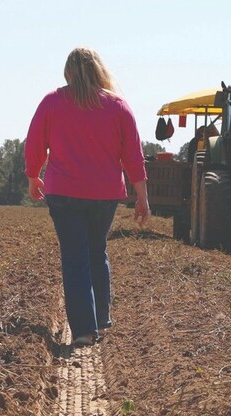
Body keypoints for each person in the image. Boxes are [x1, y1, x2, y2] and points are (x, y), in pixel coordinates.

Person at [24, 47, 150, 347]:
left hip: (64, 193)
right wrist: (142, 196)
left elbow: (35, 143)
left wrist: (33, 175)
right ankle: (100, 317)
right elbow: (133, 155)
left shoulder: (52, 102)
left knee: (75, 257)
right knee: (96, 251)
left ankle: (84, 328)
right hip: (104, 194)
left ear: (68, 73)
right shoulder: (118, 106)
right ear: (98, 71)